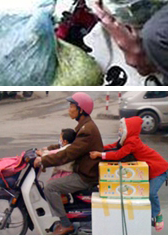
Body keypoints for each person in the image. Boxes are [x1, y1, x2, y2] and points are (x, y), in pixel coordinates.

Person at [35, 93, 103, 235]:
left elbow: (68, 153)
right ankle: (66, 216)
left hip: (86, 176)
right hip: (83, 170)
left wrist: (44, 161)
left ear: (81, 110)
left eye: (72, 106)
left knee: (50, 187)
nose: (69, 110)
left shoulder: (87, 130)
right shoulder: (83, 126)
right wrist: (46, 149)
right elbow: (67, 145)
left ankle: (66, 224)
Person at [90, 117, 168, 231]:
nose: (120, 130)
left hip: (160, 170)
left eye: (122, 128)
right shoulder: (126, 140)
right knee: (141, 192)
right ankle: (149, 216)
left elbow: (118, 154)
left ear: (129, 130)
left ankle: (158, 215)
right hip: (150, 169)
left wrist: (100, 155)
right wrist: (100, 149)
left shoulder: (132, 142)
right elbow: (114, 146)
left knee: (151, 193)